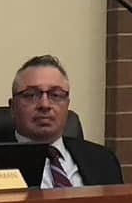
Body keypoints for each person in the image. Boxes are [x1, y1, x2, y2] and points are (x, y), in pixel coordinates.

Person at [7, 53, 123, 187]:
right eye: (31, 95)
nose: (45, 105)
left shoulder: (103, 160)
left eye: (56, 95)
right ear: (13, 107)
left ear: (67, 104)